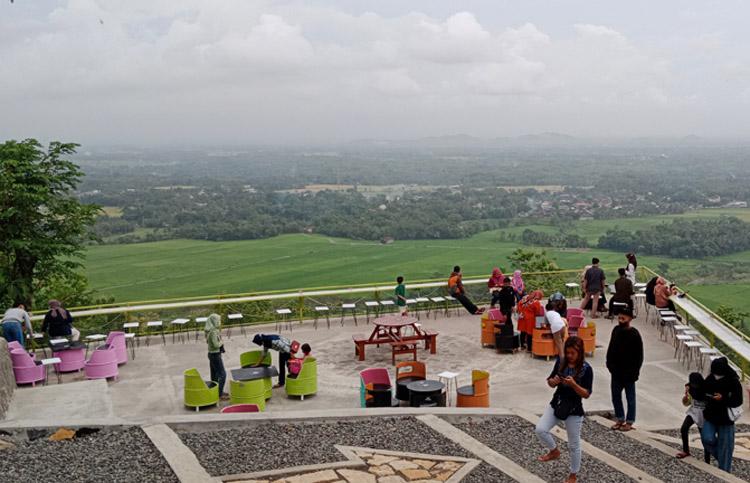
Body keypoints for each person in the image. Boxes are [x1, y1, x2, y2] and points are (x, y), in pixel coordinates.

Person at [535, 336, 593, 483]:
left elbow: (586, 394)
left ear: (580, 353)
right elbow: (549, 381)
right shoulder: (561, 362)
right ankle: (554, 451)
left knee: (574, 444)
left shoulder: (586, 369)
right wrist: (553, 382)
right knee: (540, 429)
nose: (569, 356)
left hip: (574, 409)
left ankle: (573, 474)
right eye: (568, 352)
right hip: (557, 402)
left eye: (573, 353)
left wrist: (574, 385)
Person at [701, 357, 744, 473]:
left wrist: (723, 398)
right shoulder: (711, 378)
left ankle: (725, 473)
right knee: (706, 438)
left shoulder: (733, 381)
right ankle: (722, 458)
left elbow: (738, 400)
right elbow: (703, 390)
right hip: (711, 416)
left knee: (726, 447)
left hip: (726, 419)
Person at [606, 307, 643, 432]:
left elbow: (639, 355)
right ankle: (620, 418)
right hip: (616, 372)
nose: (621, 320)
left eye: (623, 318)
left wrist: (635, 372)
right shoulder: (616, 330)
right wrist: (609, 365)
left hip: (629, 373)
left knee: (630, 398)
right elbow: (611, 348)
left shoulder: (634, 334)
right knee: (615, 396)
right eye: (619, 318)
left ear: (630, 319)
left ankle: (629, 421)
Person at [676, 372, 707, 459]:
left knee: (704, 437)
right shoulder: (690, 388)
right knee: (684, 428)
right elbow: (686, 403)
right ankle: (686, 450)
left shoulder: (706, 388)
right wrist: (686, 396)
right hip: (693, 412)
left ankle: (707, 458)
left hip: (703, 414)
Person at [204, 313, 228, 400]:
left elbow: (208, 342)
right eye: (218, 321)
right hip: (215, 355)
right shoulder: (213, 332)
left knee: (214, 375)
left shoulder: (210, 330)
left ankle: (215, 391)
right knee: (222, 374)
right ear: (214, 321)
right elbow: (215, 344)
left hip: (211, 354)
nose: (219, 322)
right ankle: (220, 393)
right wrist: (222, 342)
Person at [545, 296, 568, 361]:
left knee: (559, 344)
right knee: (562, 341)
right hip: (563, 326)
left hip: (556, 327)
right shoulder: (556, 313)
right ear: (554, 308)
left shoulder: (547, 314)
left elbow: (545, 324)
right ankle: (565, 354)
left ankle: (562, 359)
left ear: (546, 309)